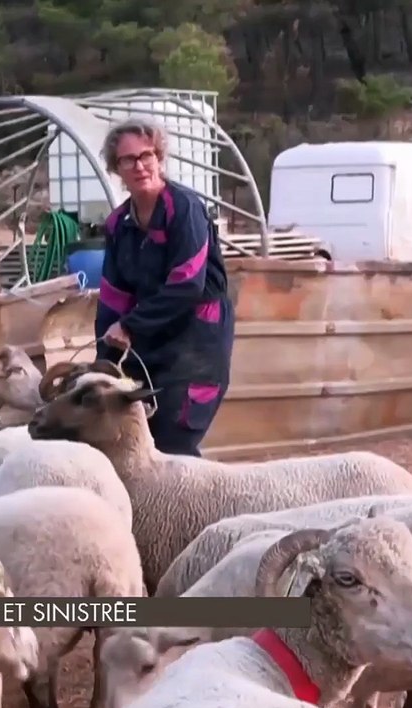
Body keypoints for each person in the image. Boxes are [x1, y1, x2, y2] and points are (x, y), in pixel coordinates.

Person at [93, 118, 236, 457]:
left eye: (146, 155)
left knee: (176, 440)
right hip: (150, 343)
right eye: (128, 159)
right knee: (142, 439)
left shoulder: (184, 209)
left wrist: (129, 326)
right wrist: (104, 361)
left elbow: (187, 284)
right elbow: (114, 297)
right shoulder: (118, 224)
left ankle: (197, 509)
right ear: (117, 169)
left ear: (159, 158)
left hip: (197, 341)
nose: (140, 165)